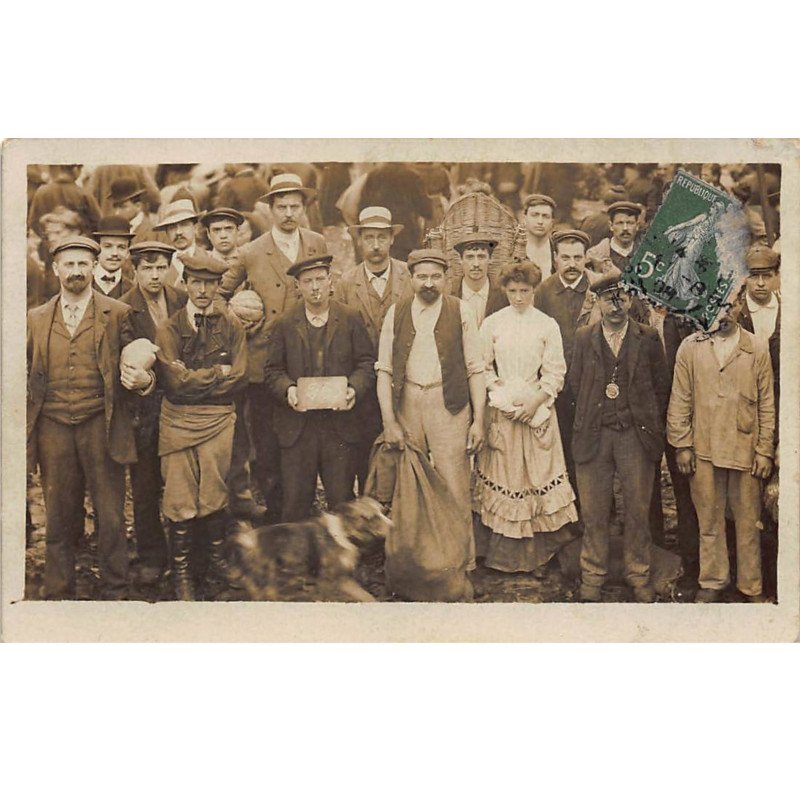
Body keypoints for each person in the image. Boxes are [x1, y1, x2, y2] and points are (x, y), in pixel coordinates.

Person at [27, 236, 155, 599]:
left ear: (95, 268)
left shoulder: (118, 313)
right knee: (58, 514)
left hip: (101, 423)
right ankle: (58, 591)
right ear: (55, 269)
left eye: (83, 264)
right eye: (69, 264)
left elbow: (142, 361)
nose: (76, 271)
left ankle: (115, 590)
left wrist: (145, 380)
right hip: (53, 427)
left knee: (110, 514)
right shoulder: (36, 318)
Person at [375, 248, 486, 568]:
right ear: (410, 279)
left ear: (446, 279)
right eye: (421, 276)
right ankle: (416, 564)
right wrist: (389, 422)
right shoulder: (395, 312)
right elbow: (384, 370)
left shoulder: (461, 310)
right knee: (410, 485)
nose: (428, 283)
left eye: (435, 277)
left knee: (455, 485)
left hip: (449, 404)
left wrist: (479, 421)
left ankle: (461, 565)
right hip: (408, 403)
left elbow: (475, 368)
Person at [569, 274, 670, 602]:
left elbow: (661, 387)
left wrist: (644, 421)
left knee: (638, 509)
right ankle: (593, 575)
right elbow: (575, 385)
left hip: (634, 436)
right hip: (594, 435)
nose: (615, 307)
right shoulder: (584, 338)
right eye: (608, 300)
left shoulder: (648, 337)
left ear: (630, 301)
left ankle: (638, 573)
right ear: (598, 302)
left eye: (622, 299)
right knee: (594, 510)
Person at [473, 261, 578, 572]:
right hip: (503, 409)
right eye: (513, 291)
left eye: (525, 291)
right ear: (505, 290)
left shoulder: (546, 325)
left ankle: (540, 554)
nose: (518, 297)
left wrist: (536, 401)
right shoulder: (492, 323)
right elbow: (482, 366)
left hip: (537, 410)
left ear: (534, 290)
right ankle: (503, 555)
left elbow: (555, 370)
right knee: (507, 475)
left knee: (536, 476)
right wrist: (500, 394)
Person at [155, 252, 248, 600]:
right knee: (179, 496)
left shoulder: (232, 326)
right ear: (186, 284)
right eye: (196, 282)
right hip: (178, 420)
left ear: (218, 286)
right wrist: (215, 374)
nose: (203, 290)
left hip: (219, 419)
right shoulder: (168, 328)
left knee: (214, 491)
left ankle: (214, 564)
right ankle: (181, 574)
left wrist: (193, 377)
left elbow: (239, 378)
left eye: (210, 284)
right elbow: (173, 383)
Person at [667, 306, 775, 603]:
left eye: (730, 305)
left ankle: (751, 585)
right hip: (704, 448)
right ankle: (712, 580)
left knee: (748, 521)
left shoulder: (756, 347)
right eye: (717, 305)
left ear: (739, 306)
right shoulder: (691, 347)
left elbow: (766, 402)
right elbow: (680, 398)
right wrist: (682, 445)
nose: (723, 314)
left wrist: (764, 450)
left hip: (745, 449)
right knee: (709, 519)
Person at [263, 255, 375, 523]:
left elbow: (366, 363)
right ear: (298, 287)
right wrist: (288, 390)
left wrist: (353, 389)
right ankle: (298, 550)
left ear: (330, 282)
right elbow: (273, 370)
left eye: (320, 280)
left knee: (342, 501)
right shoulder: (285, 323)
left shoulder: (349, 318)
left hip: (339, 427)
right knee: (295, 503)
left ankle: (342, 550)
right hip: (298, 428)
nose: (315, 287)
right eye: (307, 281)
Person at [119, 241, 186, 585]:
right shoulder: (122, 308)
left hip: (181, 405)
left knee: (181, 482)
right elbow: (124, 360)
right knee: (144, 486)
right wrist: (146, 381)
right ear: (135, 270)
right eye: (147, 268)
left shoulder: (182, 299)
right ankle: (151, 557)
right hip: (143, 411)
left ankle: (185, 556)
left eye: (161, 267)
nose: (155, 275)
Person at [334, 207, 413, 492]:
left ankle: (399, 506)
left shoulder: (410, 275)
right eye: (369, 238)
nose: (376, 245)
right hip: (363, 384)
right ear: (359, 241)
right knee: (364, 450)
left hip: (405, 380)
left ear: (392, 239)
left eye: (382, 237)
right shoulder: (346, 283)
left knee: (403, 449)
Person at [534, 229, 597, 494]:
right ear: (555, 259)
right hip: (558, 386)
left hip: (592, 383)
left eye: (577, 258)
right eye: (566, 258)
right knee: (562, 445)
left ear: (586, 258)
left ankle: (597, 505)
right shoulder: (543, 291)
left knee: (593, 448)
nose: (572, 264)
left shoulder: (596, 288)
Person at [218, 173, 328, 319]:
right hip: (269, 332)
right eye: (281, 207)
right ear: (271, 209)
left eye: (294, 207)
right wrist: (235, 318)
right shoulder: (250, 251)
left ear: (304, 209)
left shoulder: (316, 242)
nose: (289, 214)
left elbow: (328, 288)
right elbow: (218, 294)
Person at [361, 163, 434, 260]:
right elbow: (426, 210)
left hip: (378, 231)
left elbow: (363, 205)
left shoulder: (374, 174)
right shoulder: (412, 176)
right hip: (405, 236)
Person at [449, 233, 509, 327]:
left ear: (490, 259)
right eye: (470, 257)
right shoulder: (449, 293)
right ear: (461, 260)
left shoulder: (504, 293)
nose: (476, 264)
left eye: (481, 257)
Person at [28, 164, 102, 236]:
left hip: (50, 241)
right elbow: (98, 222)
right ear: (75, 169)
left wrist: (46, 237)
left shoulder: (41, 192)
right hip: (77, 241)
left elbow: (33, 222)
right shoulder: (83, 193)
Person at [152, 198, 203, 286]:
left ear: (195, 228)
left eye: (184, 225)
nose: (178, 232)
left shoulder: (210, 259)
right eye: (172, 227)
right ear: (167, 233)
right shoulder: (156, 266)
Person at [586, 201, 643, 274]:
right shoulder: (595, 256)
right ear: (611, 226)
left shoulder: (646, 254)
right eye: (620, 223)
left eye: (630, 223)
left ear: (637, 226)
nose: (625, 228)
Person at [91, 216, 135, 297]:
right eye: (108, 246)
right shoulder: (83, 284)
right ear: (97, 249)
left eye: (121, 247)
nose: (114, 253)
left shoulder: (133, 290)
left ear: (128, 252)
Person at [522, 194, 557, 280]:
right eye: (535, 215)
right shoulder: (513, 248)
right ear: (525, 218)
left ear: (552, 222)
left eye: (545, 216)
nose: (540, 221)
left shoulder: (557, 249)